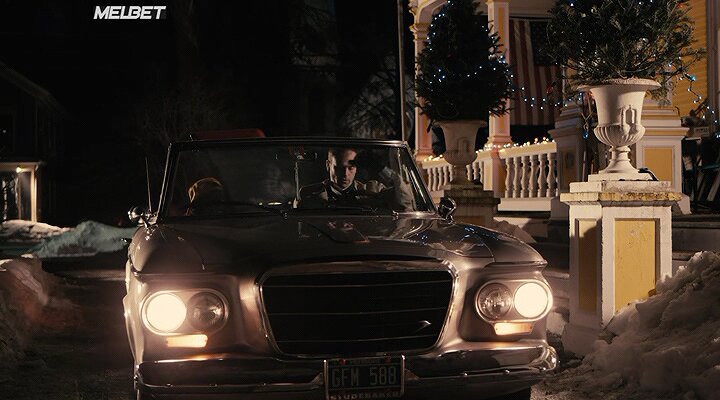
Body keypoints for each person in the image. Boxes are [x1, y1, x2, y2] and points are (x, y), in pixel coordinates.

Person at [295, 148, 386, 208]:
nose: (345, 174)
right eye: (338, 168)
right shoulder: (308, 194)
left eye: (351, 168)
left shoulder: (373, 190)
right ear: (328, 165)